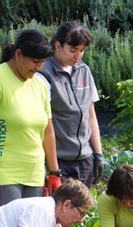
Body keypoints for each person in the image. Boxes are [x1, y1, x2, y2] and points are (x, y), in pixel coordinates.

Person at [0, 29, 61, 212]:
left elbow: (48, 130)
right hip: (4, 173)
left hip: (34, 173)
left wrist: (54, 172)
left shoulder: (40, 85)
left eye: (42, 62)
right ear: (18, 54)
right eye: (35, 62)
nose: (38, 67)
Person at [39, 21, 104, 188]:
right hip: (57, 160)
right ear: (58, 45)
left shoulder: (84, 70)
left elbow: (90, 115)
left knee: (81, 211)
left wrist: (98, 154)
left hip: (85, 160)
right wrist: (50, 168)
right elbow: (43, 123)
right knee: (58, 211)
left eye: (82, 51)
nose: (78, 56)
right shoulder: (43, 73)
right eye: (73, 50)